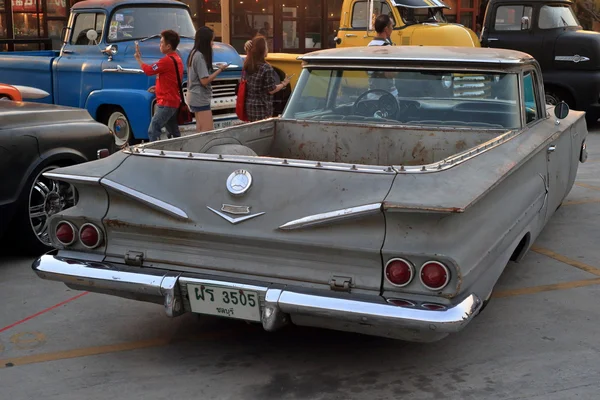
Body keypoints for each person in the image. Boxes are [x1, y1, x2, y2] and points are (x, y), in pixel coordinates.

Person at [134, 30, 184, 142]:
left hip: (166, 102)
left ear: (168, 46)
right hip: (173, 100)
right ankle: (179, 150)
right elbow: (172, 80)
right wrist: (158, 88)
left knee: (154, 128)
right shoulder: (177, 59)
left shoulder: (166, 61)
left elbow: (149, 70)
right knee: (173, 132)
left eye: (161, 43)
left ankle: (155, 153)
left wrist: (138, 59)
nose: (159, 45)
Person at [187, 26, 229, 132]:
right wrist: (220, 70)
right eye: (211, 40)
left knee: (200, 129)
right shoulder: (200, 56)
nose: (212, 43)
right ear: (206, 41)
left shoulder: (193, 53)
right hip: (200, 97)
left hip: (193, 96)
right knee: (207, 130)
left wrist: (214, 66)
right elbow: (204, 81)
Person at [243, 35, 290, 122]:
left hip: (249, 107)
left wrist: (247, 47)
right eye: (266, 46)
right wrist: (284, 83)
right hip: (262, 108)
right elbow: (271, 89)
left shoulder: (248, 64)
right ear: (262, 49)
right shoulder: (266, 68)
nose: (267, 49)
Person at [367, 14, 398, 98]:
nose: (392, 29)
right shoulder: (387, 48)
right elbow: (390, 74)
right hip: (388, 95)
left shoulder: (369, 46)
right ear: (386, 29)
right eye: (391, 26)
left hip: (372, 93)